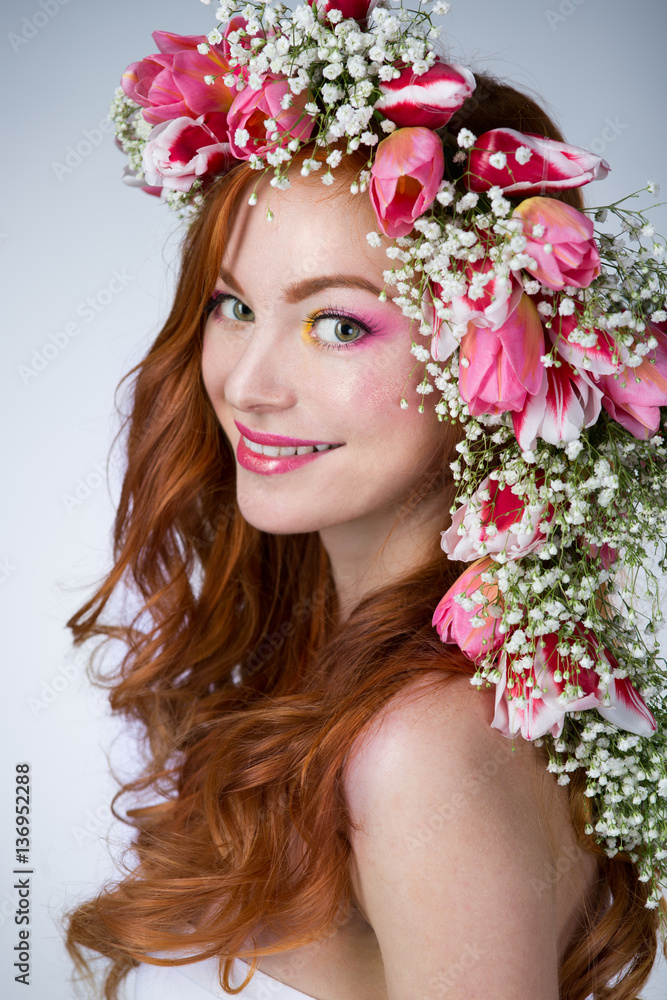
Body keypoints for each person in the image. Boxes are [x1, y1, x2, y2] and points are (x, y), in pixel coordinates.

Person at [65, 2, 667, 998]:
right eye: (234, 306)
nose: (249, 382)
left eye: (339, 325)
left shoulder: (421, 749)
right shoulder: (342, 671)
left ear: (489, 359)